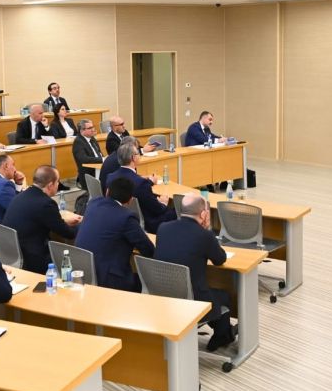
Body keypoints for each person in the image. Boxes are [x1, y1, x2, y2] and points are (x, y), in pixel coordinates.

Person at [155, 194, 236, 351]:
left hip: (164, 295)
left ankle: (224, 333)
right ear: (204, 214)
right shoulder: (204, 235)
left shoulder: (163, 228)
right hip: (192, 301)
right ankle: (222, 336)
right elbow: (220, 259)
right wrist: (207, 230)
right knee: (224, 296)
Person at [76, 177, 154, 292]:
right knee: (147, 282)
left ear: (107, 191)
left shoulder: (93, 203)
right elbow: (147, 249)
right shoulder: (126, 217)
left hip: (82, 272)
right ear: (130, 200)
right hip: (109, 280)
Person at [2, 165, 81, 273]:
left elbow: (37, 220)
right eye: (58, 181)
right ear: (50, 185)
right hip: (33, 258)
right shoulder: (46, 203)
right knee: (74, 260)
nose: (58, 184)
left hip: (13, 252)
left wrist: (62, 222)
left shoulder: (20, 196)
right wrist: (83, 224)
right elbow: (68, 234)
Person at [104, 143, 176, 233]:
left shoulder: (110, 177)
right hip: (147, 222)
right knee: (177, 210)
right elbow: (157, 209)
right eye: (138, 153)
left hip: (119, 216)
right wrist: (163, 203)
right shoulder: (141, 183)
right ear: (133, 158)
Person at [72, 119, 104, 188]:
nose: (93, 130)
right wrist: (102, 159)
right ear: (82, 131)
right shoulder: (78, 142)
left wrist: (103, 159)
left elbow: (99, 154)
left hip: (98, 170)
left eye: (93, 127)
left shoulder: (92, 139)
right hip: (89, 174)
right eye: (90, 128)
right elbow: (84, 159)